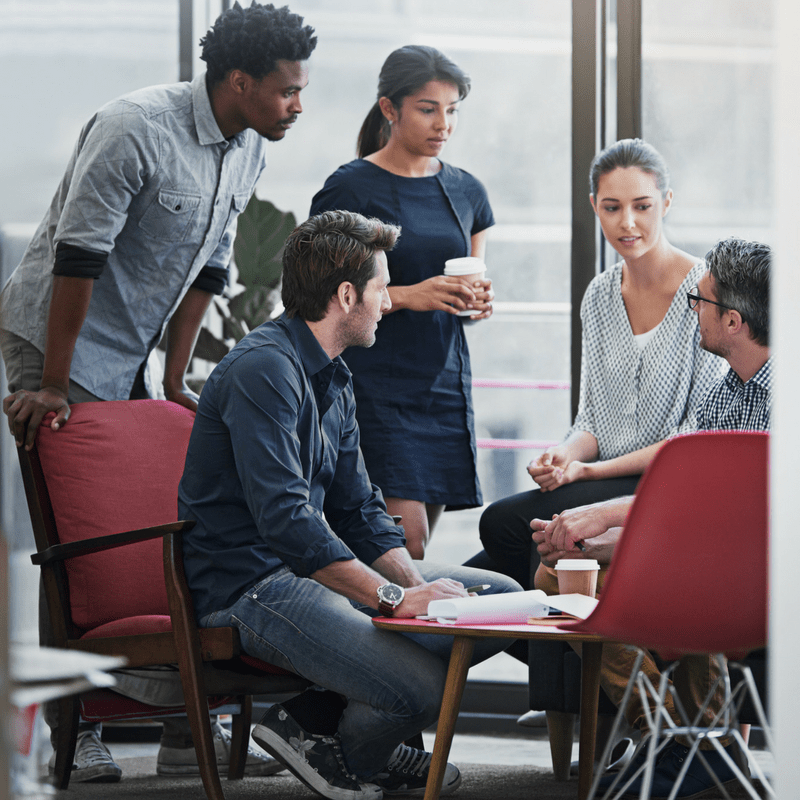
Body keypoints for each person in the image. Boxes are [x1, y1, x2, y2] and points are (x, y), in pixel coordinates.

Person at [0, 1, 317, 782]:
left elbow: (210, 269)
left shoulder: (248, 149)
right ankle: (76, 729)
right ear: (240, 81)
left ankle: (182, 719)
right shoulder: (134, 126)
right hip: (57, 339)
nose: (298, 106)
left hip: (132, 352)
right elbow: (79, 255)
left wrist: (175, 380)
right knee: (74, 541)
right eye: (286, 91)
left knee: (160, 529)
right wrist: (49, 384)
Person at [178, 209, 522, 800]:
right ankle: (352, 751)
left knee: (500, 601)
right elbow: (286, 520)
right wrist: (393, 598)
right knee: (425, 689)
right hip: (251, 584)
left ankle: (311, 720)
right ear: (346, 295)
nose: (389, 301)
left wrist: (416, 591)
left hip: (308, 572)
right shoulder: (265, 370)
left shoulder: (333, 375)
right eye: (383, 287)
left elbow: (359, 506)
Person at [532, 237, 772, 799]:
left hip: (762, 577)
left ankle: (693, 745)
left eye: (700, 303)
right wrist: (599, 543)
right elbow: (692, 515)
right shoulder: (723, 396)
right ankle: (683, 742)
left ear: (732, 321)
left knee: (666, 582)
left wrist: (601, 515)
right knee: (558, 576)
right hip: (712, 562)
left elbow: (725, 514)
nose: (692, 313)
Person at [466, 138, 727, 594]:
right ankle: (592, 661)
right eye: (612, 207)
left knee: (507, 528)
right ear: (594, 206)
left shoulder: (704, 292)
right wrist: (565, 455)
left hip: (663, 480)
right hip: (599, 477)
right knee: (483, 576)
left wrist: (586, 473)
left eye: (642, 206)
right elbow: (591, 420)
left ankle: (590, 661)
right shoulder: (600, 295)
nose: (627, 223)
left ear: (666, 202)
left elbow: (692, 437)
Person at [309, 45, 495, 559]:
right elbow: (325, 299)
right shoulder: (350, 187)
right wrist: (412, 296)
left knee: (414, 549)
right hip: (375, 386)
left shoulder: (467, 192)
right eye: (428, 108)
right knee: (400, 546)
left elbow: (468, 287)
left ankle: (395, 636)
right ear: (390, 109)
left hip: (443, 384)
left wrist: (476, 302)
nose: (444, 124)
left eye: (452, 109)